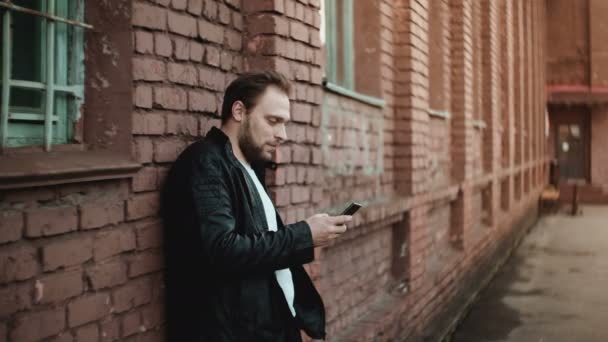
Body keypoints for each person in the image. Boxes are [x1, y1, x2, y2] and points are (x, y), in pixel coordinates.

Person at [161, 70, 352, 341]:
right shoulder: (205, 163)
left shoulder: (249, 167)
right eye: (273, 121)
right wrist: (304, 235)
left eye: (284, 123)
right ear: (239, 111)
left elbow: (263, 251)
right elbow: (222, 250)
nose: (282, 134)